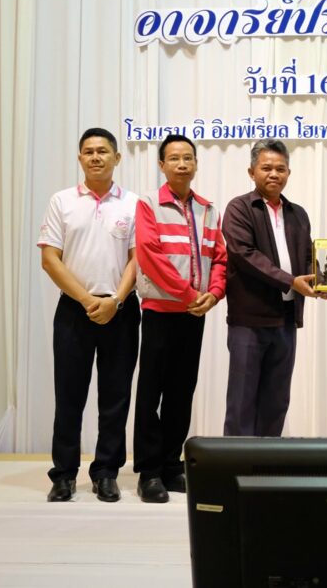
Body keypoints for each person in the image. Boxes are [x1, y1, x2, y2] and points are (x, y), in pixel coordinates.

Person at [38, 127, 140, 503]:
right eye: (88, 151)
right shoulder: (62, 201)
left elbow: (138, 259)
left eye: (103, 151)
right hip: (74, 310)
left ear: (117, 158)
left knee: (116, 396)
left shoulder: (133, 204)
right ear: (80, 158)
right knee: (69, 395)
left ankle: (106, 472)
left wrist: (115, 300)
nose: (96, 157)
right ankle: (64, 474)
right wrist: (86, 300)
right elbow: (50, 259)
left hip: (121, 310)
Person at [133, 134, 227, 503]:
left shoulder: (208, 210)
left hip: (195, 314)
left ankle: (172, 466)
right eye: (174, 158)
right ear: (162, 165)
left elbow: (220, 258)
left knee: (181, 391)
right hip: (160, 311)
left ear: (196, 164)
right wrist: (190, 296)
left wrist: (213, 294)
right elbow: (149, 255)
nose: (182, 164)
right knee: (150, 393)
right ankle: (148, 472)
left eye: (188, 158)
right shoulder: (148, 205)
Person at [222, 140, 316, 437]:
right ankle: (235, 464)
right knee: (242, 402)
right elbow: (245, 255)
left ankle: (267, 462)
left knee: (276, 401)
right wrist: (291, 281)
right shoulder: (239, 208)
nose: (274, 174)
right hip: (249, 320)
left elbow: (308, 257)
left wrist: (321, 282)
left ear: (289, 173)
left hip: (286, 318)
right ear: (252, 172)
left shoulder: (298, 213)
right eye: (266, 168)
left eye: (280, 168)